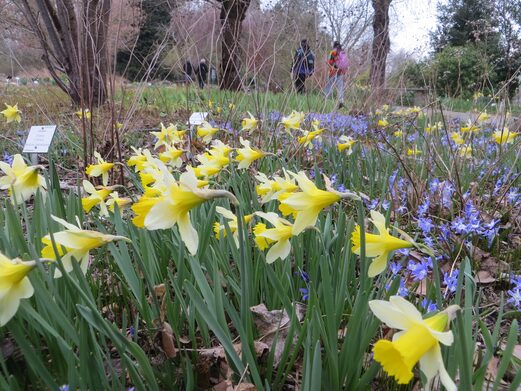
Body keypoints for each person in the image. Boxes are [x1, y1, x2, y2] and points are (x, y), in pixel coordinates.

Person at [325, 41, 348, 108]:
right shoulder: (343, 52)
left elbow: (331, 62)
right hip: (341, 72)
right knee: (340, 87)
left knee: (329, 85)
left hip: (333, 71)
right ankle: (341, 100)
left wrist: (327, 62)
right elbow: (345, 64)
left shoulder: (333, 52)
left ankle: (327, 98)